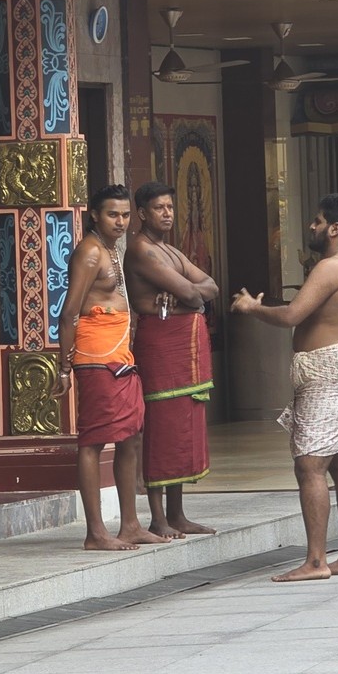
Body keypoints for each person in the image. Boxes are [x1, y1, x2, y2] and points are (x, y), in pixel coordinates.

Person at [231, 193, 338, 583]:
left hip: (329, 375)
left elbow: (293, 314)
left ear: (335, 228)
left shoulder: (330, 268)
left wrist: (252, 308)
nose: (311, 227)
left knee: (310, 464)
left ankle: (316, 561)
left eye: (317, 221)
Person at [55, 184, 168, 552]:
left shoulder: (111, 249)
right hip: (96, 358)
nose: (120, 222)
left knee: (130, 436)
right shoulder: (90, 253)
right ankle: (96, 532)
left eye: (124, 215)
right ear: (94, 216)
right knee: (92, 441)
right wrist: (63, 366)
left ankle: (130, 524)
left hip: (120, 358)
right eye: (112, 215)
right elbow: (69, 312)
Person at [124, 181, 219, 539]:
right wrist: (188, 294)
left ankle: (178, 514)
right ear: (143, 213)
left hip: (186, 350)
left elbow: (210, 287)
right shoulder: (141, 251)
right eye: (159, 208)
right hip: (161, 348)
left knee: (184, 426)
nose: (167, 213)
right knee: (162, 426)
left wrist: (189, 294)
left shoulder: (171, 251)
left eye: (170, 207)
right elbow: (193, 293)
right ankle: (158, 517)